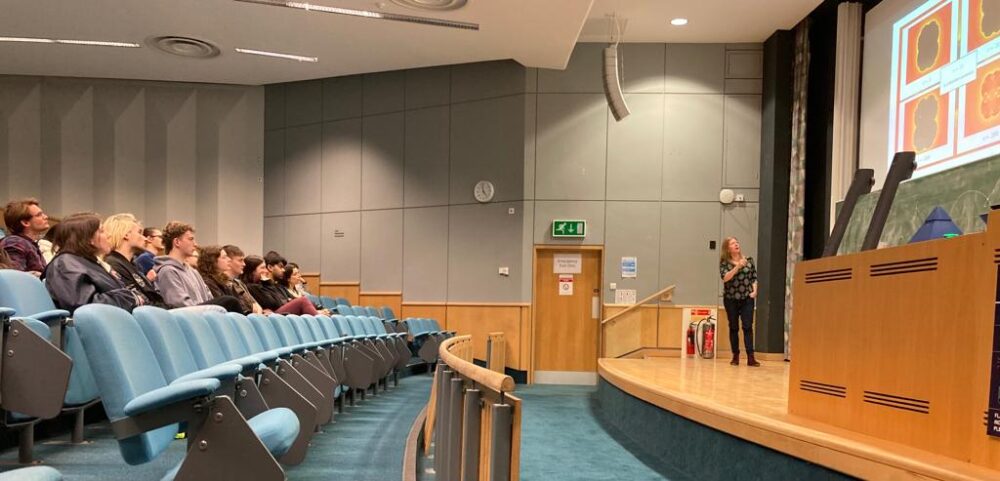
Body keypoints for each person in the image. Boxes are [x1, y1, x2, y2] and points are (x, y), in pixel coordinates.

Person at [42, 213, 143, 312]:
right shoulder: (65, 264)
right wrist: (130, 298)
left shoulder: (88, 262)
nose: (109, 235)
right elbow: (83, 305)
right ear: (88, 238)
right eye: (102, 231)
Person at [153, 221, 242, 312]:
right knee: (230, 302)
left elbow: (209, 298)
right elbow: (180, 306)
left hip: (202, 315)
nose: (195, 244)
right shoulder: (167, 271)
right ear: (177, 242)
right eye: (191, 239)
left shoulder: (193, 271)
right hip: (188, 318)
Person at [103, 213, 165, 308]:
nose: (145, 238)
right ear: (126, 235)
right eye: (139, 232)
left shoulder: (133, 265)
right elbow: (136, 301)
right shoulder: (113, 264)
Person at [719, 237, 759, 367]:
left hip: (747, 298)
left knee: (747, 326)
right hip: (731, 299)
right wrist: (737, 267)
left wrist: (754, 291)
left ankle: (750, 357)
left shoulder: (749, 260)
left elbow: (754, 277)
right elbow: (725, 278)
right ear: (728, 248)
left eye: (737, 242)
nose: (736, 244)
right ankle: (735, 355)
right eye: (732, 243)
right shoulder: (725, 262)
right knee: (734, 327)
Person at [241, 255, 318, 315]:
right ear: (252, 271)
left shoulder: (263, 284)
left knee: (304, 301)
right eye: (262, 268)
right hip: (273, 316)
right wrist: (268, 283)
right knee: (302, 301)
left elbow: (278, 301)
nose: (266, 271)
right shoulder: (252, 287)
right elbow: (274, 303)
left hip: (277, 313)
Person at [1, 198, 49, 276]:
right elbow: (15, 276)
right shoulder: (15, 242)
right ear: (25, 222)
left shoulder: (30, 244)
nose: (46, 217)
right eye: (39, 215)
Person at [222, 245, 264, 314]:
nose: (244, 264)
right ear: (229, 261)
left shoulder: (239, 282)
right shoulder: (222, 283)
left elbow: (257, 306)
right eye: (240, 260)